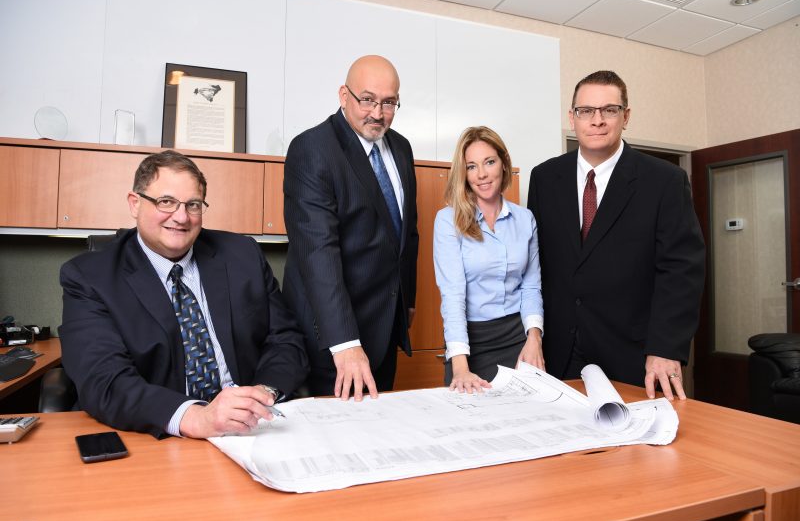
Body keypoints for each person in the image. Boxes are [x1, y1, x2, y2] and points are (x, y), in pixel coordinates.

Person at [59, 150, 308, 439]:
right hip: (157, 434)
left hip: (248, 430)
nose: (181, 217)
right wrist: (195, 417)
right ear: (135, 203)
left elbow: (285, 340)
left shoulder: (243, 255)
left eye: (193, 205)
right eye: (166, 202)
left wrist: (262, 393)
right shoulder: (90, 276)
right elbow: (104, 378)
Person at [527, 70, 705, 400]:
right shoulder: (544, 178)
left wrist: (665, 347)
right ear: (572, 117)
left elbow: (682, 271)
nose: (597, 120)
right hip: (558, 352)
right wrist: (532, 334)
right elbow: (536, 266)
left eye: (609, 110)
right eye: (586, 111)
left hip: (633, 355)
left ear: (626, 116)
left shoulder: (664, 180)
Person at [282, 55, 418, 400]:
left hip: (385, 327)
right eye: (367, 100)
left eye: (389, 103)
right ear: (344, 96)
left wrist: (408, 302)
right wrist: (345, 343)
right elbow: (317, 252)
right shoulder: (312, 148)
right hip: (333, 339)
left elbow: (407, 233)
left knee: (379, 425)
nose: (378, 113)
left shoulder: (401, 148)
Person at [434, 126, 544, 393]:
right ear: (463, 174)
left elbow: (531, 287)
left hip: (518, 338)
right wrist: (460, 366)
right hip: (470, 342)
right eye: (471, 167)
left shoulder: (525, 219)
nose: (481, 174)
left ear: (504, 163)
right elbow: (452, 294)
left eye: (489, 162)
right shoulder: (448, 221)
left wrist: (534, 339)